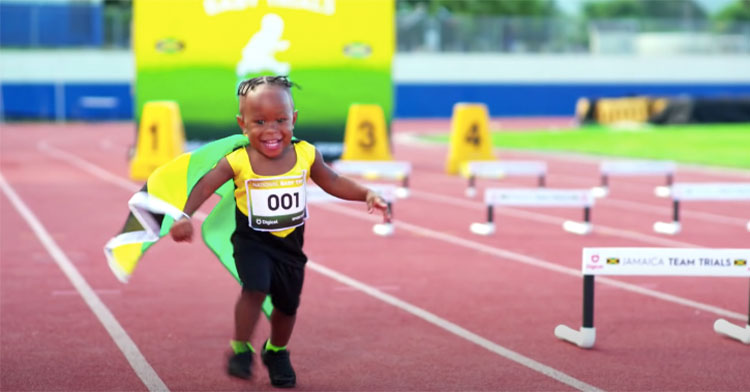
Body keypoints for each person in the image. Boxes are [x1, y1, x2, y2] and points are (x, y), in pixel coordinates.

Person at [169, 75, 388, 388]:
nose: (271, 130)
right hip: (252, 242)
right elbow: (204, 185)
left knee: (287, 305)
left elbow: (334, 181)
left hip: (289, 247)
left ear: (294, 119)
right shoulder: (238, 160)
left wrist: (367, 193)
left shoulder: (306, 154)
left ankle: (277, 351)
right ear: (242, 124)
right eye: (259, 121)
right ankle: (240, 349)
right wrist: (184, 215)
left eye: (280, 120)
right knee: (255, 287)